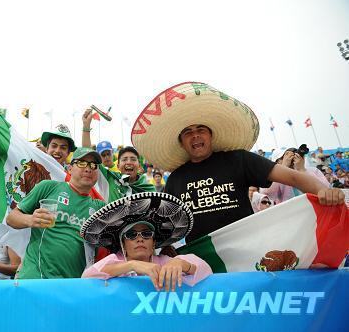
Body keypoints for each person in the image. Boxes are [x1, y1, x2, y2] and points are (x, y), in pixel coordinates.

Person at [132, 82, 345, 244]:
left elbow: (293, 177)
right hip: (202, 264)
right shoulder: (176, 178)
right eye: (188, 132)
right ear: (182, 142)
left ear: (211, 136)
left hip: (248, 250)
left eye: (201, 130)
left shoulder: (239, 159)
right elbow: (168, 225)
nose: (195, 136)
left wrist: (323, 189)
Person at [6, 147, 106, 279]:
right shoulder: (49, 187)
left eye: (93, 166)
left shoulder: (100, 207)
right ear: (70, 169)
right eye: (81, 163)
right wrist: (31, 220)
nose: (88, 169)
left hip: (72, 285)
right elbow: (11, 218)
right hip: (37, 277)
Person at [81, 192, 212, 291]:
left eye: (146, 234)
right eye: (131, 234)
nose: (140, 238)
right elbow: (86, 277)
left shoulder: (164, 261)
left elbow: (206, 270)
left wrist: (181, 263)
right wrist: (131, 265)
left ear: (153, 243)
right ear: (123, 244)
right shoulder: (114, 260)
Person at [261, 147, 330, 203]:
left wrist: (302, 170)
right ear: (276, 162)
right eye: (284, 157)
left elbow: (326, 190)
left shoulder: (313, 171)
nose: (290, 159)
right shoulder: (275, 176)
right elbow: (268, 194)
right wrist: (283, 167)